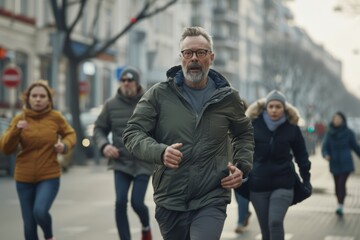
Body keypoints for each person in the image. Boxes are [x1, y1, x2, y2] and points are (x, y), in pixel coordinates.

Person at [123, 26, 254, 240]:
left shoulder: (228, 98)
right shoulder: (159, 94)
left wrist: (241, 166)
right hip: (170, 197)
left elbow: (244, 134)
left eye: (200, 52)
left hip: (212, 195)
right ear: (181, 57)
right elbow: (132, 132)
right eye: (188, 53)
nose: (194, 58)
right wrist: (160, 152)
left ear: (211, 57)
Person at [0, 80, 76, 240]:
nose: (38, 99)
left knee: (40, 212)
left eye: (42, 96)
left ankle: (49, 236)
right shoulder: (19, 119)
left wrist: (64, 145)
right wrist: (16, 130)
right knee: (29, 226)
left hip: (49, 175)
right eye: (34, 96)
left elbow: (70, 134)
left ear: (49, 100)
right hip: (23, 178)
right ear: (28, 99)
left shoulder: (56, 117)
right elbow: (6, 148)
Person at [93, 66, 153, 240]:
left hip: (143, 161)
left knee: (137, 203)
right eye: (123, 81)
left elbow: (160, 128)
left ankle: (145, 226)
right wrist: (105, 146)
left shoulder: (148, 101)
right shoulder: (111, 104)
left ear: (136, 83)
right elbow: (99, 129)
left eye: (130, 80)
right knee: (120, 202)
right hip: (121, 161)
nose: (126, 84)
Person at [247, 90, 312, 240]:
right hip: (258, 185)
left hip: (283, 183)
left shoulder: (292, 128)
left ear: (284, 108)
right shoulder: (253, 125)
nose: (274, 110)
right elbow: (242, 152)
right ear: (266, 108)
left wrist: (306, 179)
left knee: (275, 222)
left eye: (278, 106)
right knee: (266, 232)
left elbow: (301, 155)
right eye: (271, 106)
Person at [321, 111, 360, 216]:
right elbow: (325, 147)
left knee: (341, 183)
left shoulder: (349, 132)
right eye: (335, 119)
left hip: (346, 162)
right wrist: (325, 155)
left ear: (343, 120)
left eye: (339, 119)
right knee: (336, 185)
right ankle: (339, 202)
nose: (336, 121)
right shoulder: (329, 133)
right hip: (334, 163)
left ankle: (340, 205)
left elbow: (355, 147)